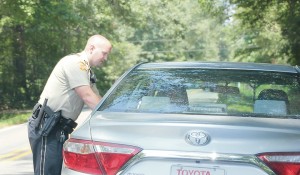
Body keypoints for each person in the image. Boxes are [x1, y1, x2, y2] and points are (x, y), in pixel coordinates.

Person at [27, 34, 112, 175]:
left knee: (54, 171)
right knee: (47, 172)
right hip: (47, 126)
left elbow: (98, 101)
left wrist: (112, 110)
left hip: (57, 128)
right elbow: (88, 97)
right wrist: (112, 116)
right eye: (104, 53)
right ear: (91, 48)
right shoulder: (75, 63)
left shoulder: (86, 71)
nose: (105, 58)